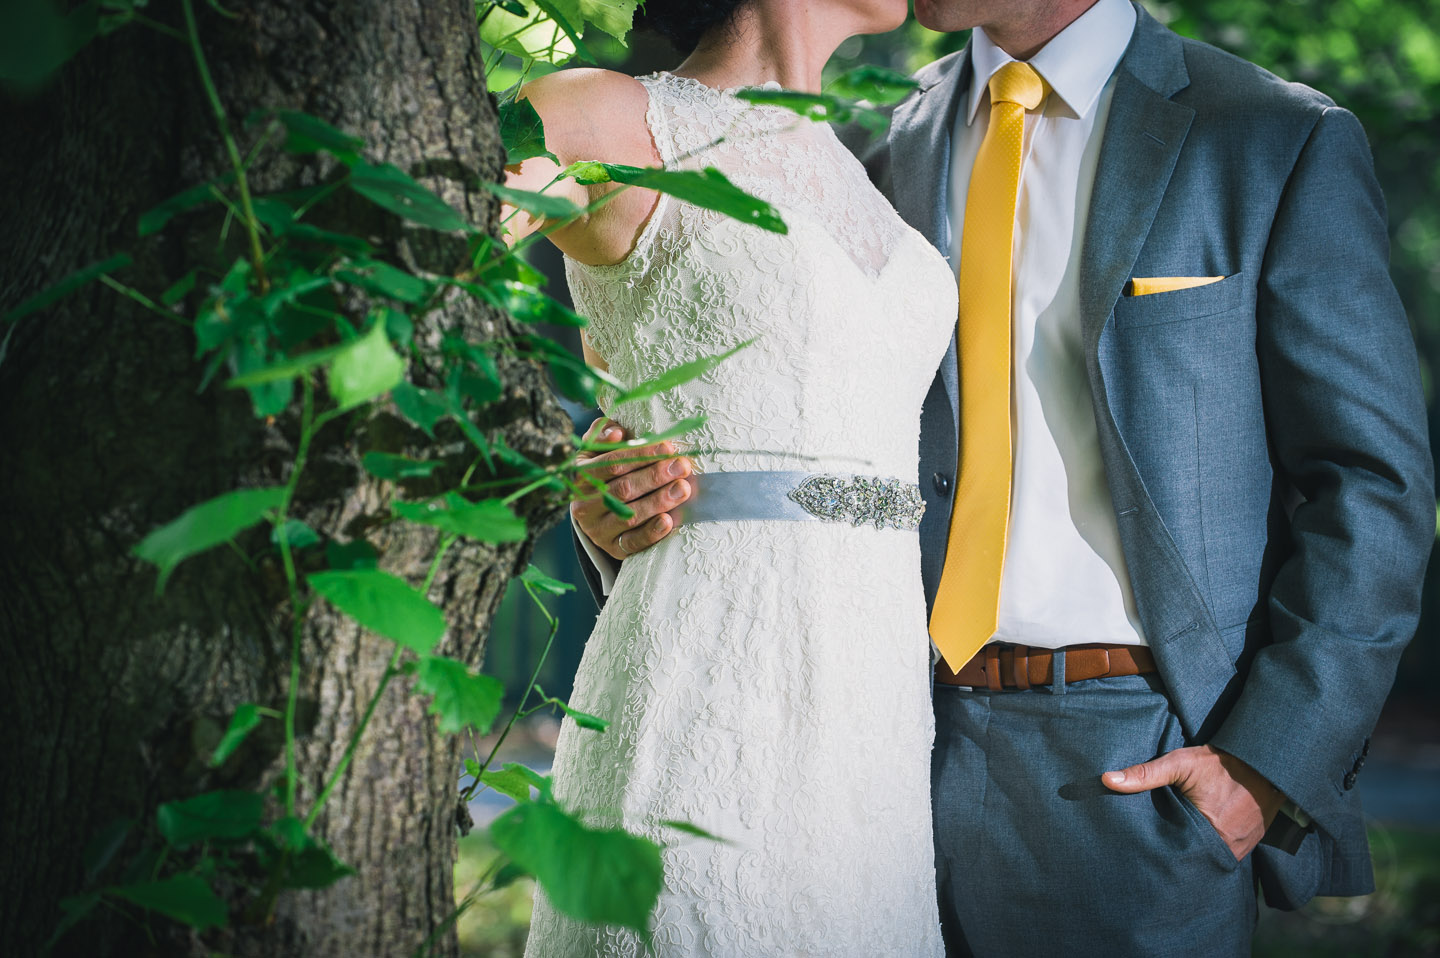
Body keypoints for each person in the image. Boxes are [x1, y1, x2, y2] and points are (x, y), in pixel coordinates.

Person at [573, 0, 1435, 954]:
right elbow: (833, 457)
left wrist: (1263, 766)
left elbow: (1370, 482)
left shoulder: (1270, 137)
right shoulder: (856, 145)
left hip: (1132, 775)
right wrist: (648, 496)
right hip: (863, 749)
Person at [504, 1, 955, 954]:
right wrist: (561, 457)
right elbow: (410, 271)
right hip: (705, 667)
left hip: (874, 710)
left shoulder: (866, 172)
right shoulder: (603, 115)